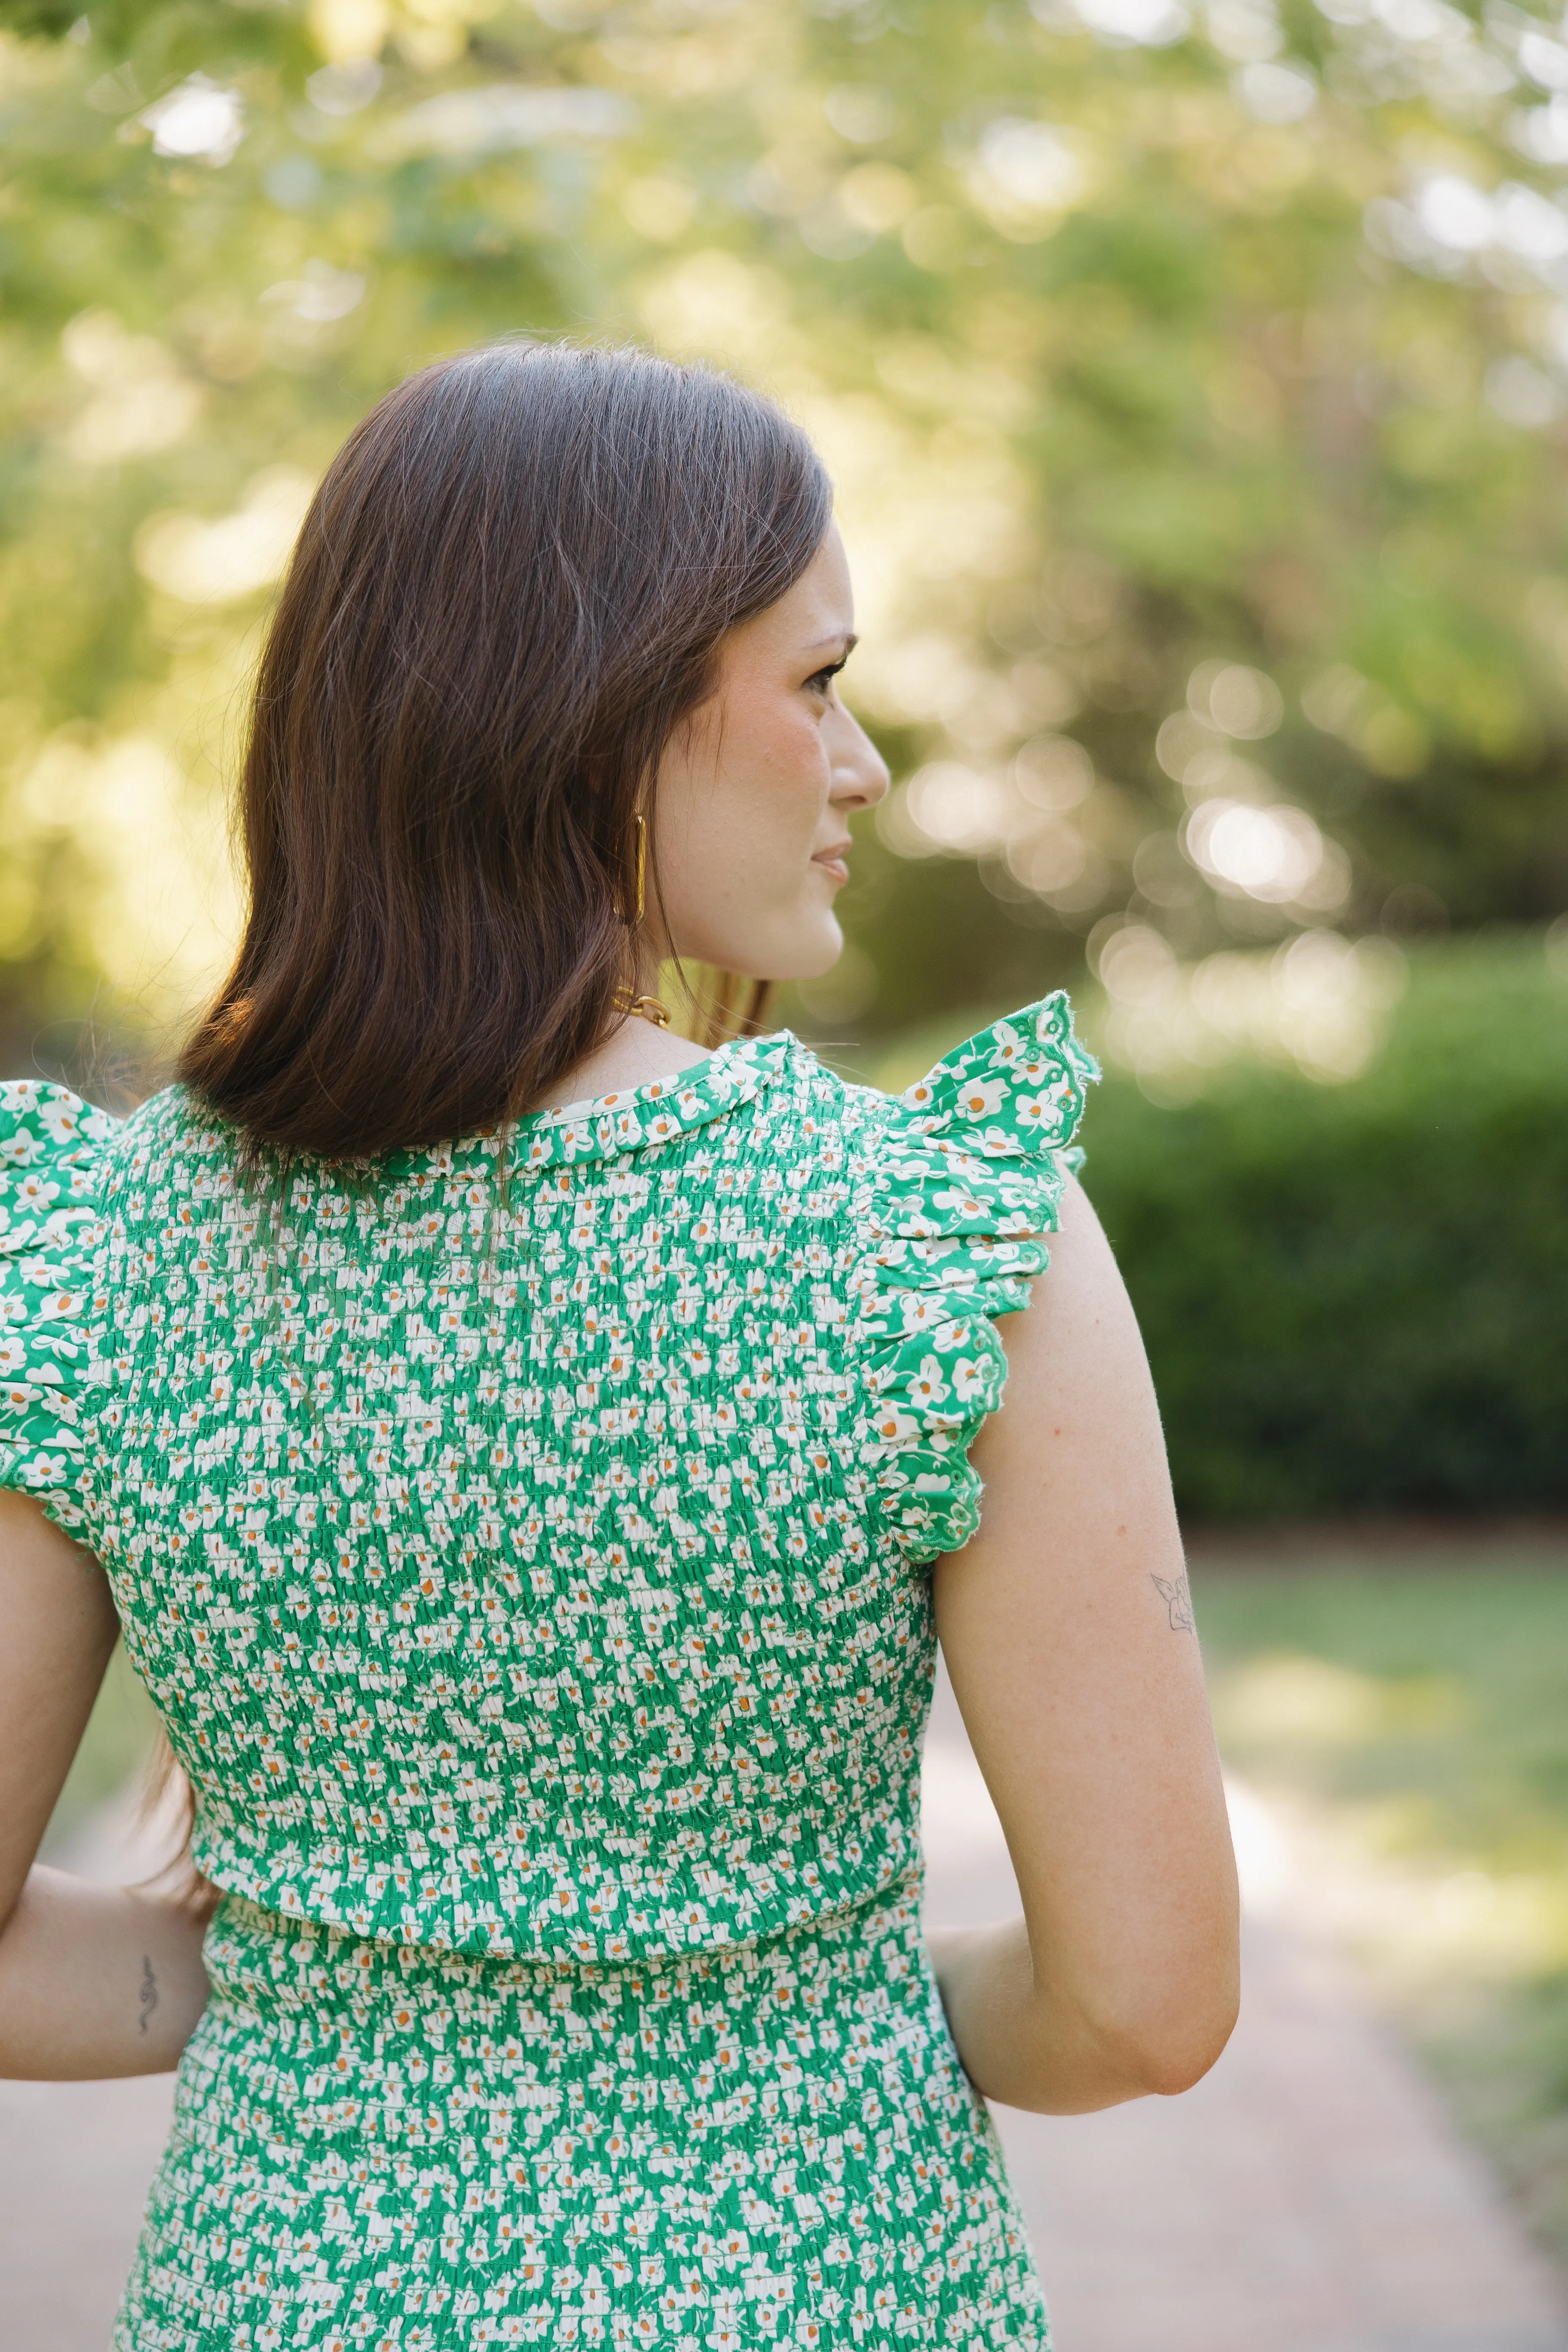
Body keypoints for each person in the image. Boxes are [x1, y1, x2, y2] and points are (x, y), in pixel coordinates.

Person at [0, 341, 1237, 2350]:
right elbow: (1143, 2002)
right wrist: (781, 2012)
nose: (865, 770)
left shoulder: (100, 1254)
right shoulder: (933, 1239)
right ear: (605, 706)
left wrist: (363, 1982)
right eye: (819, 684)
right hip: (823, 2286)